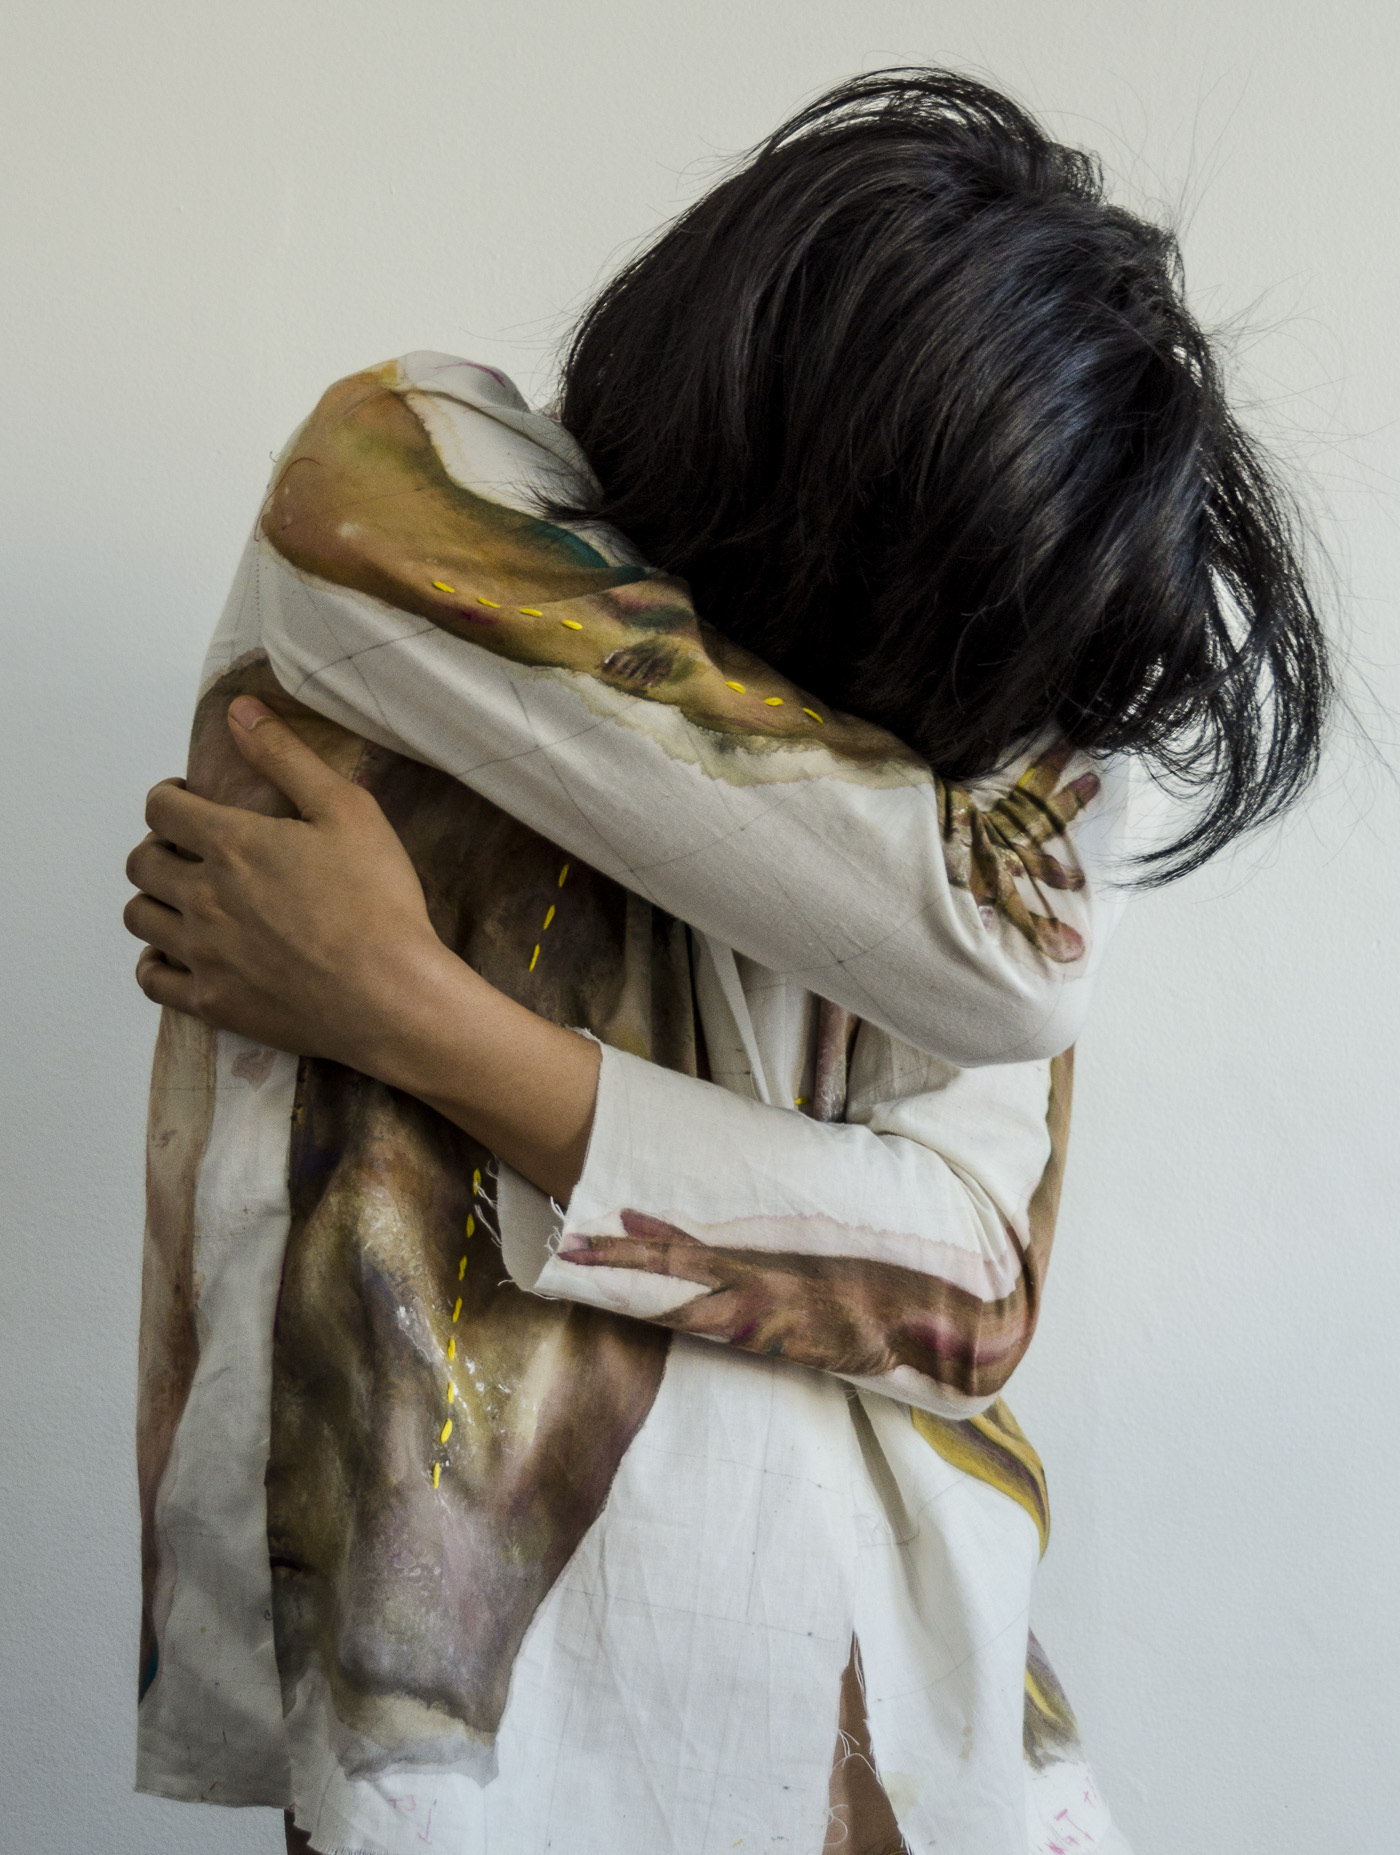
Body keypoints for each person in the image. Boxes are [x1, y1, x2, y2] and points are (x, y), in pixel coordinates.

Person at [122, 71, 1328, 1855]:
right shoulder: (407, 477)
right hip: (477, 1721)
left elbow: (974, 1287)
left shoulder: (1003, 736)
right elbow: (994, 992)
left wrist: (412, 1012)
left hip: (910, 1730)